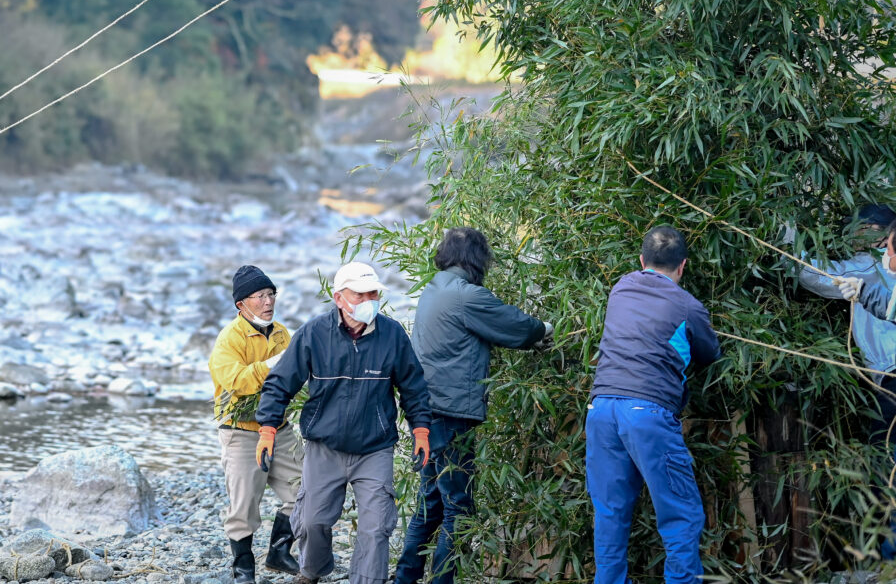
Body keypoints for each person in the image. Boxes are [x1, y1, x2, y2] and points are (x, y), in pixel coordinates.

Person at [393, 228, 553, 584]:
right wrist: (544, 329)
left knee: (431, 501)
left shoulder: (435, 288)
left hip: (428, 411)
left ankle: (405, 577)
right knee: (458, 507)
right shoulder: (466, 295)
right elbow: (515, 325)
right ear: (477, 258)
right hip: (451, 414)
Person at [257, 261, 432, 584]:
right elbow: (280, 383)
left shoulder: (392, 334)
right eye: (360, 295)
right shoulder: (313, 334)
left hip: (374, 448)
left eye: (373, 294)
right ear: (339, 298)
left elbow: (414, 387)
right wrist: (268, 428)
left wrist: (420, 429)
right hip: (324, 447)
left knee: (376, 527)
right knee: (312, 521)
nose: (369, 301)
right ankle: (312, 570)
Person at [585, 226, 720, 584]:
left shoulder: (620, 288)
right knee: (681, 515)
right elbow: (710, 353)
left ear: (641, 260)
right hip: (647, 412)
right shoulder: (688, 305)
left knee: (610, 513)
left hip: (601, 410)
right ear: (683, 265)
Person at [795, 203, 896, 557]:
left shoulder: (867, 265)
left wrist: (789, 242)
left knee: (885, 463)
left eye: (856, 229)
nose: (849, 236)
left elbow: (814, 275)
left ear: (877, 234)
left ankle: (890, 553)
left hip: (889, 380)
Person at [209, 265, 304, 582]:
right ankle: (243, 568)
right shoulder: (229, 339)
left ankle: (279, 553)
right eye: (260, 296)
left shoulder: (281, 333)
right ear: (241, 304)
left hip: (280, 428)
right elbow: (237, 382)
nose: (268, 301)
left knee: (306, 489)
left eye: (271, 294)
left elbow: (296, 378)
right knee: (244, 505)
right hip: (242, 431)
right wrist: (273, 364)